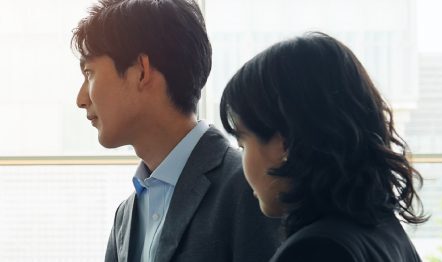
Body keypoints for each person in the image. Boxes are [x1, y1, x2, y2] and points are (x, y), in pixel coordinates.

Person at [71, 0, 284, 261]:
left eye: (89, 73)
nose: (81, 99)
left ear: (141, 72)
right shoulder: (125, 217)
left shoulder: (250, 188)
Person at [219, 32, 427, 262]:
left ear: (284, 144)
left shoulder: (315, 250)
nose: (243, 162)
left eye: (243, 144)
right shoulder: (386, 229)